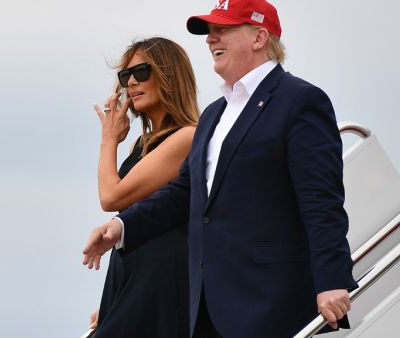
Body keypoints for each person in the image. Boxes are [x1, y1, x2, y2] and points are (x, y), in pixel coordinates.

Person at [83, 1, 358, 337]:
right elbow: (184, 192)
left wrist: (331, 280)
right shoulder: (214, 115)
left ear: (259, 37)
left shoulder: (299, 100)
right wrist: (121, 226)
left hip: (269, 303)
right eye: (210, 31)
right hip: (207, 309)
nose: (211, 39)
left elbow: (321, 201)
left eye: (223, 29)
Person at [88, 37, 200, 338]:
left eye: (142, 72)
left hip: (162, 273)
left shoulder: (187, 136)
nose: (132, 83)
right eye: (126, 76)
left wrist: (108, 140)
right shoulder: (142, 144)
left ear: (169, 75)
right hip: (132, 271)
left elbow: (111, 197)